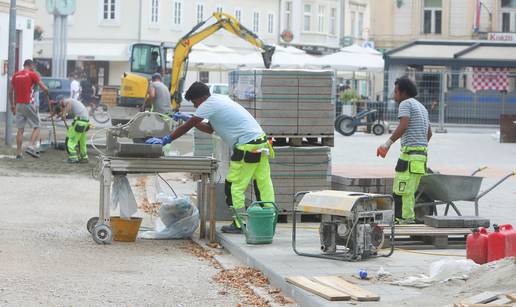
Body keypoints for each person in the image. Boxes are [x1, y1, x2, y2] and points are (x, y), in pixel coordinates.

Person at [146, 82, 275, 234]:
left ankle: (240, 223)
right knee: (263, 183)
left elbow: (186, 126)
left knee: (234, 185)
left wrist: (166, 139)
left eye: (195, 102)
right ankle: (270, 218)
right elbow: (209, 129)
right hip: (260, 143)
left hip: (247, 147)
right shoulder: (219, 100)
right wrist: (190, 119)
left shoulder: (208, 104)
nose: (195, 107)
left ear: (202, 98)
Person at [376, 76, 432, 224]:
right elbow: (429, 134)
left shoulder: (405, 104)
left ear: (403, 92)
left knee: (401, 191)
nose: (394, 95)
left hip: (409, 157)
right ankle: (406, 218)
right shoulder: (422, 107)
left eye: (396, 91)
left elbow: (403, 125)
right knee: (409, 191)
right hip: (420, 158)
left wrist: (386, 145)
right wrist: (419, 147)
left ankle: (404, 220)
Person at [9, 59, 49, 159]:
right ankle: (30, 146)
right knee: (37, 126)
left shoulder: (16, 75)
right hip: (28, 103)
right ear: (30, 65)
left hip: (18, 105)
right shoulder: (32, 74)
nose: (34, 67)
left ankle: (19, 153)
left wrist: (12, 105)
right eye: (33, 66)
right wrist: (47, 91)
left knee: (20, 129)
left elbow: (10, 91)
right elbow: (44, 87)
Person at [51, 95, 90, 163]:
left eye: (58, 103)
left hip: (79, 122)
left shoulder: (67, 101)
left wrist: (64, 114)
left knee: (70, 139)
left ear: (61, 100)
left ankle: (73, 158)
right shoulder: (73, 102)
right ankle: (84, 157)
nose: (59, 105)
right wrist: (61, 114)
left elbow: (69, 104)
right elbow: (67, 110)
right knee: (82, 142)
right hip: (85, 122)